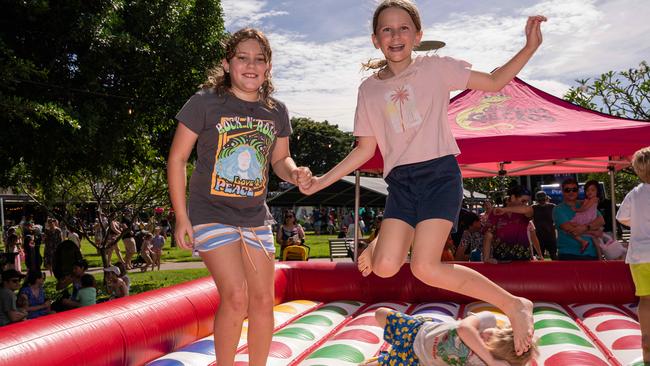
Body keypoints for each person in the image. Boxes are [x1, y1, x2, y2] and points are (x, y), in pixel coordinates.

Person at [300, 0, 544, 354]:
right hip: (400, 182)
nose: (395, 35)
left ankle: (513, 304)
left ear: (418, 36)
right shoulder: (369, 89)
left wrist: (529, 47)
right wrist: (322, 180)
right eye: (387, 29)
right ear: (375, 39)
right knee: (384, 267)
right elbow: (364, 149)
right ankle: (380, 242)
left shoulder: (435, 68)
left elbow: (493, 81)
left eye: (403, 28)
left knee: (426, 267)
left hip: (438, 174)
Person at [167, 27, 313, 366]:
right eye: (242, 58)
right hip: (211, 212)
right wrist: (181, 216)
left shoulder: (276, 110)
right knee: (235, 295)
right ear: (227, 63)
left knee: (263, 299)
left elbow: (279, 159)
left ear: (268, 67)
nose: (251, 65)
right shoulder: (204, 102)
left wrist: (294, 172)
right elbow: (177, 159)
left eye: (259, 59)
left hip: (254, 217)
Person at [359, 307, 538, 366]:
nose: (484, 338)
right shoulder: (488, 320)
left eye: (489, 344)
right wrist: (491, 359)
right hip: (418, 330)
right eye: (491, 336)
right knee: (380, 313)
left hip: (416, 359)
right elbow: (464, 330)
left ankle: (383, 359)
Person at [616, 146, 650, 365]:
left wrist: (637, 222)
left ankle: (647, 345)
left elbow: (622, 218)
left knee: (645, 299)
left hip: (640, 255)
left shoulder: (635, 193)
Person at [485, 186, 543, 262]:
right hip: (500, 259)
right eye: (523, 201)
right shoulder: (495, 212)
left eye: (527, 202)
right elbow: (488, 234)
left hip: (523, 258)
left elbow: (528, 209)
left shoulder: (525, 212)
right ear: (512, 197)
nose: (525, 204)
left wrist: (504, 210)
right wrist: (486, 259)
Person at [553, 178, 604, 260]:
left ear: (578, 191)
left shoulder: (585, 204)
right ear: (562, 191)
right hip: (569, 254)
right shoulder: (558, 209)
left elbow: (601, 221)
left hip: (591, 254)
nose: (571, 192)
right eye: (567, 190)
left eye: (574, 189)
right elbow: (572, 230)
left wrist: (585, 227)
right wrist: (593, 231)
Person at [569, 180, 604, 253]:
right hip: (585, 216)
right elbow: (583, 204)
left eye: (592, 190)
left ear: (597, 191)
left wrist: (576, 210)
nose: (589, 192)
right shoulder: (588, 199)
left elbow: (585, 208)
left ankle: (585, 240)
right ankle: (584, 241)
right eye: (587, 190)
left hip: (586, 217)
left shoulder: (594, 199)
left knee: (572, 228)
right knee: (574, 230)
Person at [531, 191, 557, 259]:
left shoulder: (552, 207)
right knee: (539, 257)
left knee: (554, 256)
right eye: (540, 200)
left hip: (550, 236)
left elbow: (558, 219)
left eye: (543, 199)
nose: (542, 201)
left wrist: (555, 226)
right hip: (539, 237)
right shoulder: (533, 208)